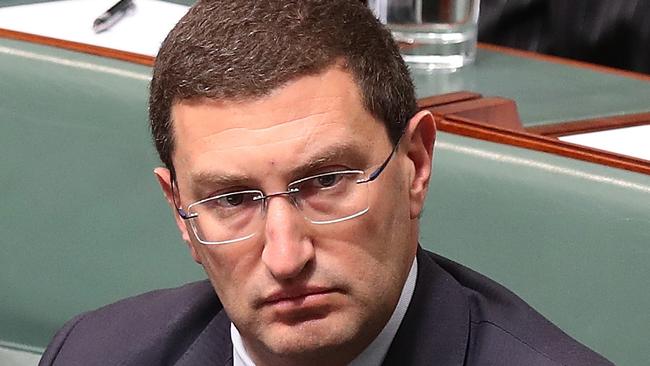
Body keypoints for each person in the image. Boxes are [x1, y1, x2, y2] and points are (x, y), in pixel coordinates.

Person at [39, 1, 614, 365]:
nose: (286, 258)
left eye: (325, 181)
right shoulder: (93, 353)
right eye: (233, 199)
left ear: (414, 164)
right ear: (180, 211)